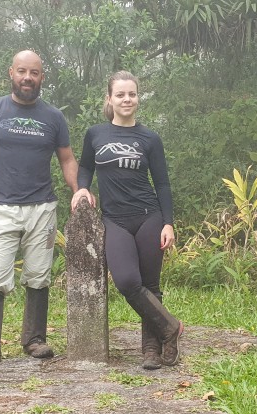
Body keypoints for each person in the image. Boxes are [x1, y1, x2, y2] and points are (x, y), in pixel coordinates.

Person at [0, 50, 78, 371]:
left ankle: (34, 339)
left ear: (42, 77)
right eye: (22, 71)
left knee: (39, 274)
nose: (28, 77)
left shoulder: (54, 117)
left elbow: (67, 159)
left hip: (42, 209)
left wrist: (79, 192)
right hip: (0, 208)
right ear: (11, 73)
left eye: (34, 73)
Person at [72, 71, 183, 369]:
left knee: (150, 284)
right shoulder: (96, 134)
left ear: (137, 98)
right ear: (109, 98)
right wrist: (82, 188)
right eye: (120, 94)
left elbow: (162, 184)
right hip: (115, 220)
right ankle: (170, 327)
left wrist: (168, 222)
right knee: (127, 281)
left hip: (149, 217)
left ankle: (151, 350)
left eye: (131, 94)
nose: (126, 99)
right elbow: (85, 167)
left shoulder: (150, 138)